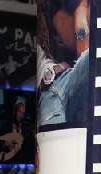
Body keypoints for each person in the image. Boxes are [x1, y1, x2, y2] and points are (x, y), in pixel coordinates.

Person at [38, 0, 90, 128]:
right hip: (56, 89)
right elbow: (85, 55)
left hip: (63, 86)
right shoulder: (60, 16)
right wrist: (81, 13)